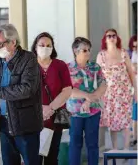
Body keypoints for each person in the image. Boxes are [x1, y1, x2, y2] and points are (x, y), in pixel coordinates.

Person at [0, 24, 43, 165]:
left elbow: (27, 89)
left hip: (25, 124)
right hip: (4, 122)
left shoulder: (29, 59)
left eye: (0, 44)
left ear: (13, 42)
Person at [31, 32, 72, 165]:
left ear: (53, 48)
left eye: (49, 45)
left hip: (54, 119)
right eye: (41, 45)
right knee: (33, 158)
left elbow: (67, 90)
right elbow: (24, 91)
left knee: (52, 157)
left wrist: (50, 108)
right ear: (35, 47)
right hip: (32, 118)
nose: (45, 48)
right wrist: (40, 108)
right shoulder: (28, 65)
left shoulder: (60, 65)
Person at [66, 37, 106, 165]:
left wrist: (89, 100)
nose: (88, 52)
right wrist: (87, 96)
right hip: (74, 113)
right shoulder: (67, 68)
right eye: (84, 50)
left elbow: (103, 85)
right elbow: (67, 90)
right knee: (75, 143)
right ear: (75, 51)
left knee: (93, 143)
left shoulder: (95, 67)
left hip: (93, 111)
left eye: (89, 50)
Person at [97, 29, 136, 150]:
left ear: (117, 38)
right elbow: (98, 76)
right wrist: (97, 94)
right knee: (112, 122)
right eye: (109, 36)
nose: (112, 37)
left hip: (124, 93)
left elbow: (131, 73)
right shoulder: (101, 55)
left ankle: (125, 149)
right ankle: (114, 149)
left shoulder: (123, 53)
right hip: (108, 94)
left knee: (126, 121)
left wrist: (136, 92)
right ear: (105, 39)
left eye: (114, 35)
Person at [129, 35, 137, 146]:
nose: (135, 48)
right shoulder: (129, 54)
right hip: (132, 87)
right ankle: (134, 136)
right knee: (134, 113)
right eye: (134, 46)